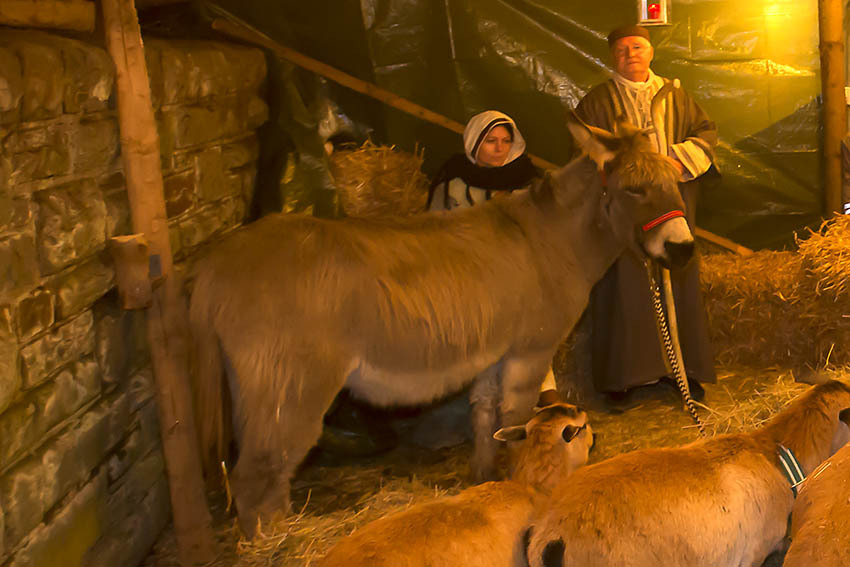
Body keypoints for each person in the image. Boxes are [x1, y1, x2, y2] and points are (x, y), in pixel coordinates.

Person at [575, 24, 718, 403]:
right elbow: (586, 152)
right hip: (626, 212)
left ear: (650, 51)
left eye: (636, 47)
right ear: (612, 57)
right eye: (620, 50)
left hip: (672, 204)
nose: (629, 55)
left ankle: (684, 370)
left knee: (680, 278)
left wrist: (676, 161)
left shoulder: (676, 96)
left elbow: (706, 134)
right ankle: (624, 377)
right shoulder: (597, 102)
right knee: (623, 287)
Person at [428, 110, 540, 211]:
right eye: (491, 141)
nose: (499, 148)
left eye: (506, 141)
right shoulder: (451, 181)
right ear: (474, 142)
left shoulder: (526, 184)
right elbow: (433, 227)